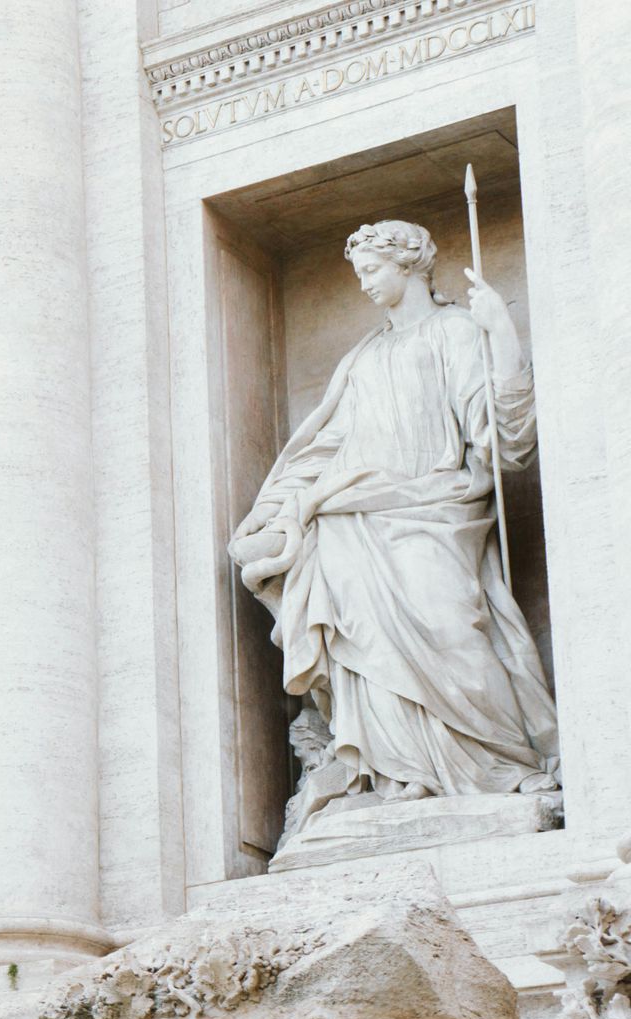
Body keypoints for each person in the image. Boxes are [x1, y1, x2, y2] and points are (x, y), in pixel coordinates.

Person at [230, 220, 558, 830]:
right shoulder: (365, 356)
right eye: (356, 272)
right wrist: (277, 515)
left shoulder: (456, 332)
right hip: (353, 520)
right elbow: (324, 448)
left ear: (408, 265)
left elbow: (505, 441)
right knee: (366, 647)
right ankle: (399, 771)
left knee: (452, 626)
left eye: (371, 269)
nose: (361, 282)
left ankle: (504, 765)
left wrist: (503, 334)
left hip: (435, 509)